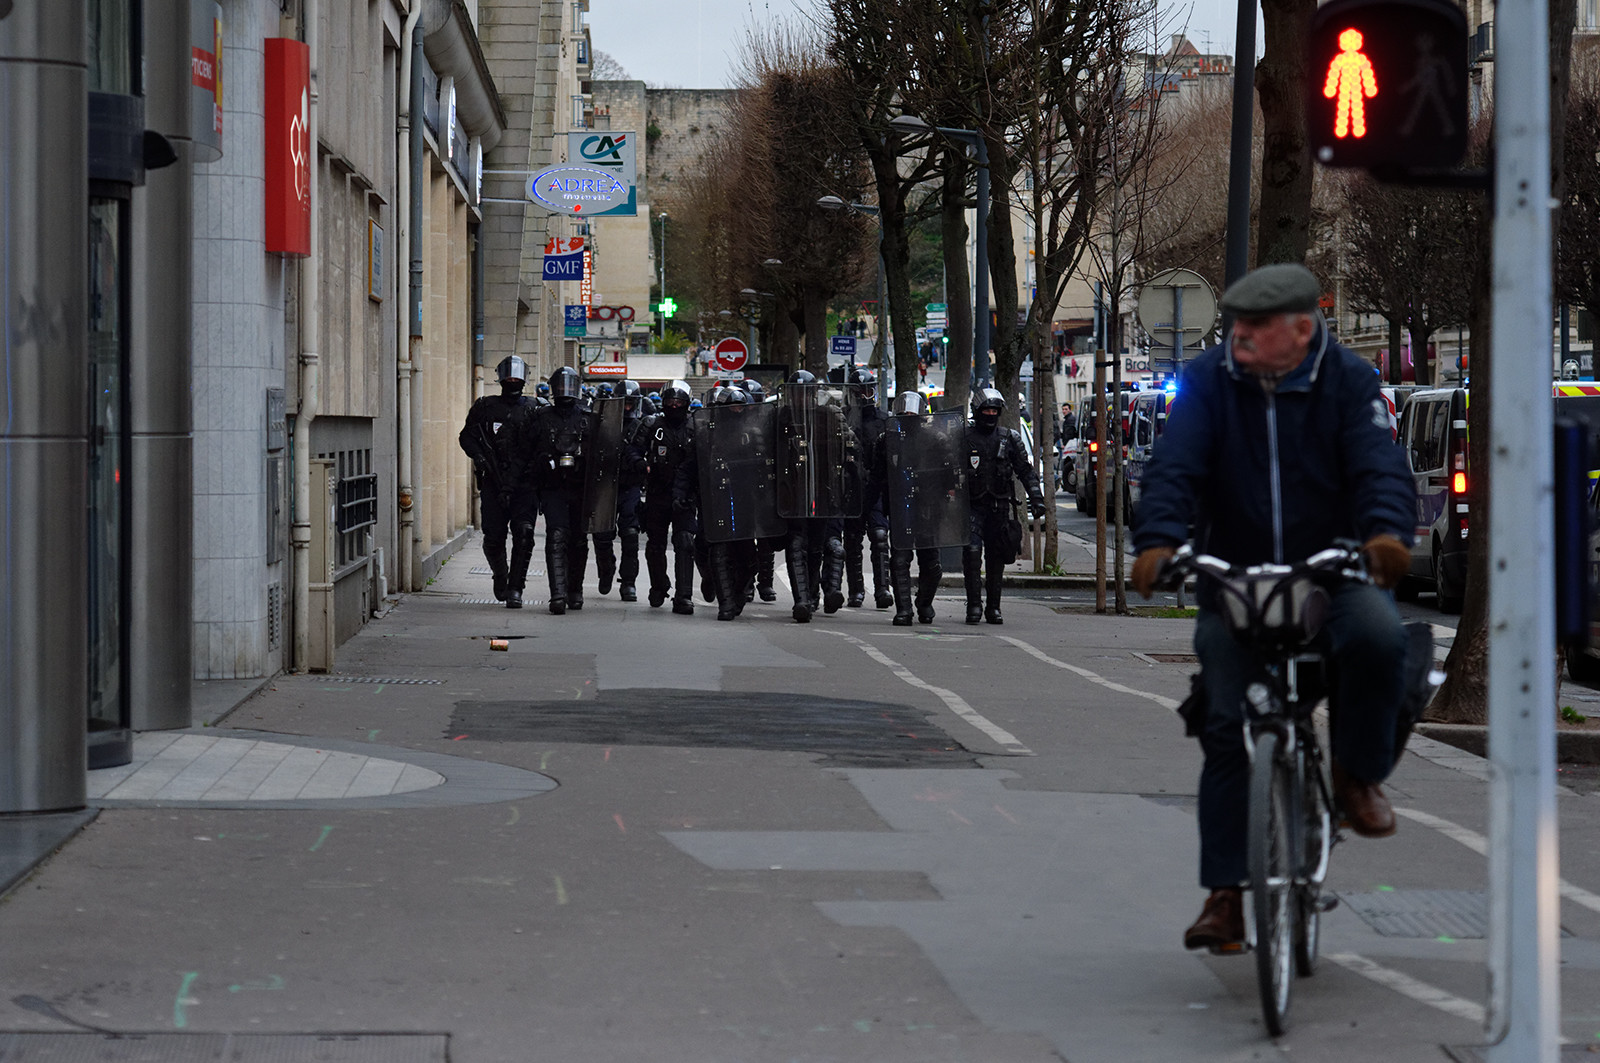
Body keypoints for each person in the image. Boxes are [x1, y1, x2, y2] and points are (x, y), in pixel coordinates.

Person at [1128, 262, 1416, 953]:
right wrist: (1159, 539)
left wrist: (1383, 535)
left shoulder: (1349, 383)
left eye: (1257, 326)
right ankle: (1225, 896)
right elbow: (1176, 465)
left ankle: (1357, 773)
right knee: (1227, 723)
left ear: (1301, 328)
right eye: (1238, 325)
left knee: (1379, 637)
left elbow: (1379, 462)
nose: (1241, 336)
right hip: (1237, 574)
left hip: (1334, 569)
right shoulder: (1206, 382)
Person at [457, 356, 539, 608]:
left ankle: (516, 587)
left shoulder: (534, 408)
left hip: (524, 484)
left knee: (524, 534)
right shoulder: (485, 407)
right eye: (509, 377)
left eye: (517, 377)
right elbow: (466, 437)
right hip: (493, 481)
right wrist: (480, 457)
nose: (512, 381)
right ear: (501, 378)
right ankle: (501, 575)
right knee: (493, 536)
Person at [963, 388, 1047, 624]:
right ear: (977, 411)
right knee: (971, 553)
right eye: (986, 410)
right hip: (972, 506)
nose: (990, 414)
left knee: (996, 557)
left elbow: (1026, 471)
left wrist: (1037, 499)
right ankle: (973, 606)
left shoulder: (1009, 438)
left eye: (994, 410)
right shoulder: (963, 437)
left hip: (999, 506)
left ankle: (993, 607)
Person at [525, 365, 594, 615]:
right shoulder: (542, 417)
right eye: (561, 385)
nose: (565, 390)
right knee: (556, 536)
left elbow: (602, 453)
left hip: (580, 488)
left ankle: (575, 589)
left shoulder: (588, 417)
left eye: (569, 385)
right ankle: (558, 594)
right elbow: (528, 451)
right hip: (553, 486)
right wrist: (543, 464)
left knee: (578, 540)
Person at [641, 380, 699, 615]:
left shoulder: (696, 427)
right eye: (670, 401)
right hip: (657, 493)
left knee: (685, 542)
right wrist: (639, 463)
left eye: (679, 402)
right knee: (655, 545)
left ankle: (684, 595)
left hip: (685, 496)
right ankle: (658, 585)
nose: (674, 406)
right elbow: (633, 449)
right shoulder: (652, 425)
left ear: (686, 403)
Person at [843, 368, 894, 610]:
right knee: (852, 540)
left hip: (876, 488)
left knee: (880, 536)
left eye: (868, 389)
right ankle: (856, 591)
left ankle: (883, 588)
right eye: (859, 391)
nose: (864, 395)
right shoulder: (843, 419)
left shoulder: (885, 420)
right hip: (851, 488)